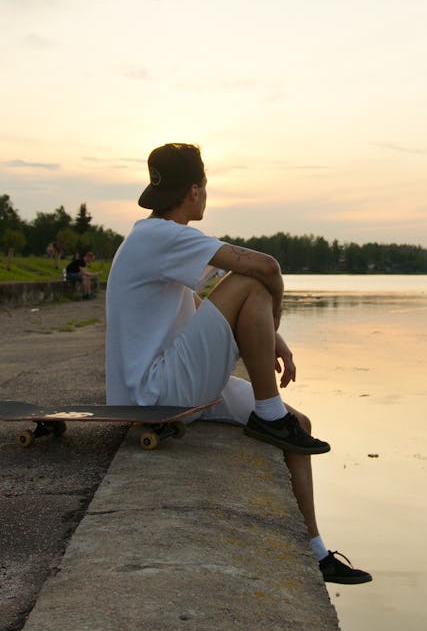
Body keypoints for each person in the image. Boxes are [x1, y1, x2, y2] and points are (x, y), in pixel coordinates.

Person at [106, 143, 372, 585]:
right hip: (157, 392)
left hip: (171, 386)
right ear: (195, 190)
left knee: (299, 424)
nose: (206, 195)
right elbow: (265, 268)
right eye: (205, 187)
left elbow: (200, 298)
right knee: (252, 277)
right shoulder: (162, 236)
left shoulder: (151, 238)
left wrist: (273, 334)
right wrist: (275, 311)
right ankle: (268, 415)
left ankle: (316, 552)